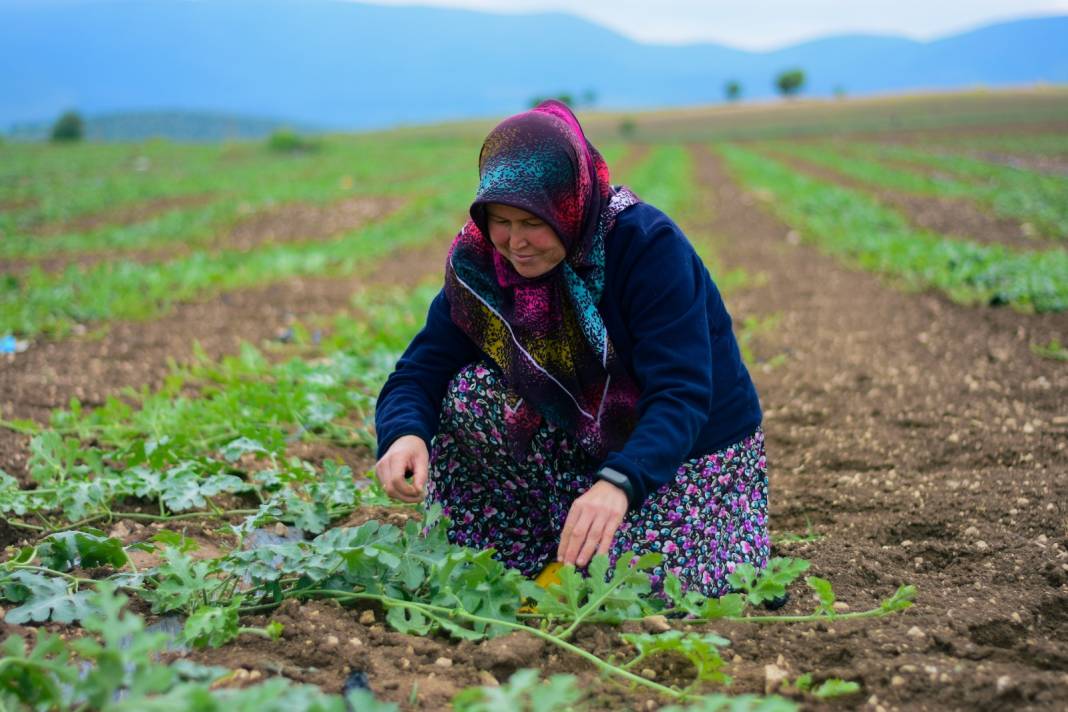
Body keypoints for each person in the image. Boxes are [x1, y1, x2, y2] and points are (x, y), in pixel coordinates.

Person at [373, 100, 768, 597]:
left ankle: (589, 527)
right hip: (581, 446)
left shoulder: (648, 248)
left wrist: (618, 484)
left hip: (686, 451)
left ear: (569, 204)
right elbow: (420, 370)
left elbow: (681, 393)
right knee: (468, 393)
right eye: (500, 220)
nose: (516, 242)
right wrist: (404, 433)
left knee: (630, 586)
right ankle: (534, 536)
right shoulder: (482, 263)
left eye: (533, 221)